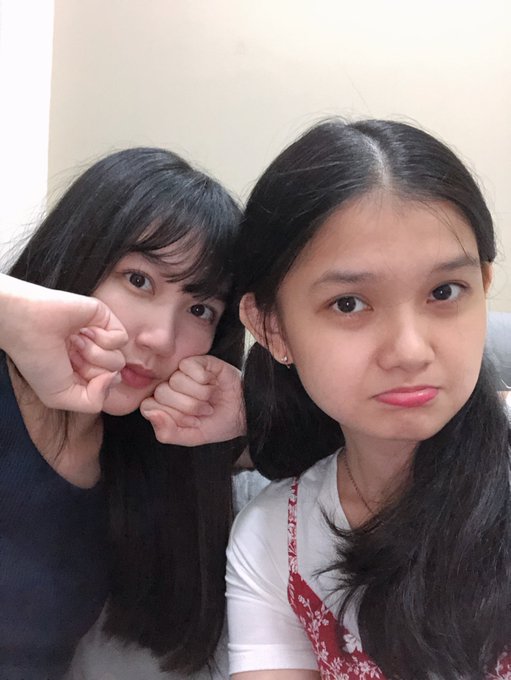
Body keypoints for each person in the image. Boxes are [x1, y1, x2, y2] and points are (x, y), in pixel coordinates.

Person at [226, 119, 511, 679]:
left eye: (444, 292)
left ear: (482, 285)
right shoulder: (273, 540)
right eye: (349, 303)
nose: (409, 351)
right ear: (271, 328)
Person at [0, 146, 246, 679]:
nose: (161, 338)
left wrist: (249, 415)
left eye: (200, 309)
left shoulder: (149, 450)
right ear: (79, 254)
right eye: (139, 280)